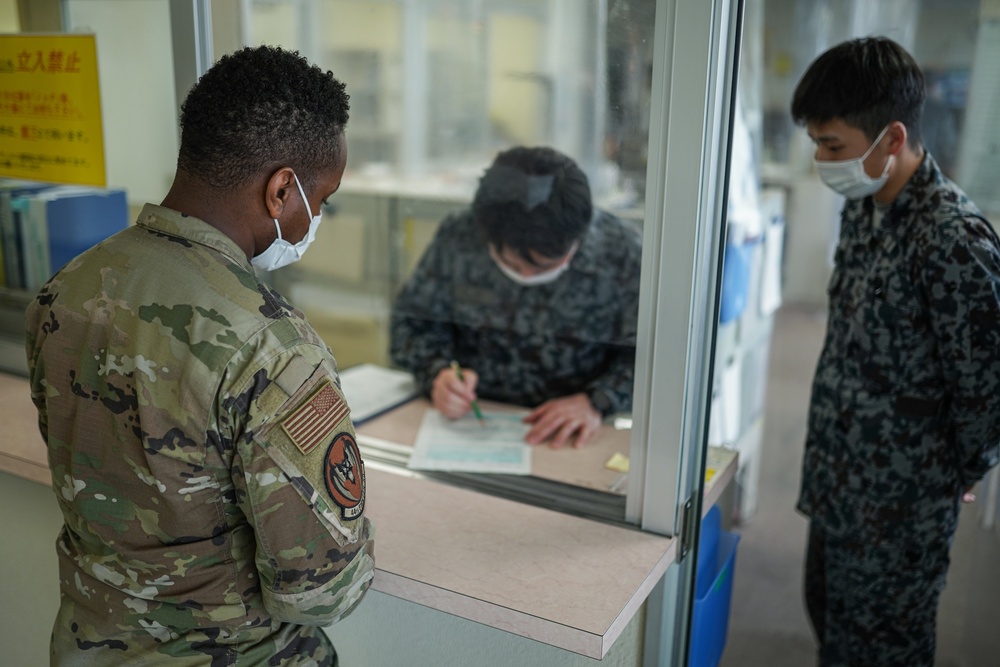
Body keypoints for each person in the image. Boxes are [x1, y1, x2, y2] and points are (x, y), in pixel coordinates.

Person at [24, 46, 374, 666]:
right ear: (281, 190)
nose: (316, 217)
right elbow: (320, 591)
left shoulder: (69, 286)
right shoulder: (271, 348)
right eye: (320, 200)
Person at [791, 36, 1000, 666]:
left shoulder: (952, 239)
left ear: (891, 138)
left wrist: (960, 473)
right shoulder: (865, 206)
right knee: (829, 621)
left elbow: (986, 390)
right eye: (817, 145)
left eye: (834, 147)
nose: (822, 162)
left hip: (899, 505)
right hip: (837, 478)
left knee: (885, 649)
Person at [389, 146, 641, 449]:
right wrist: (438, 373)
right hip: (470, 423)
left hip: (573, 432)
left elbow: (654, 358)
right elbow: (410, 326)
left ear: (577, 239)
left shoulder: (621, 252)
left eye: (544, 266)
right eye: (511, 265)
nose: (527, 276)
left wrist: (598, 400)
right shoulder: (460, 235)